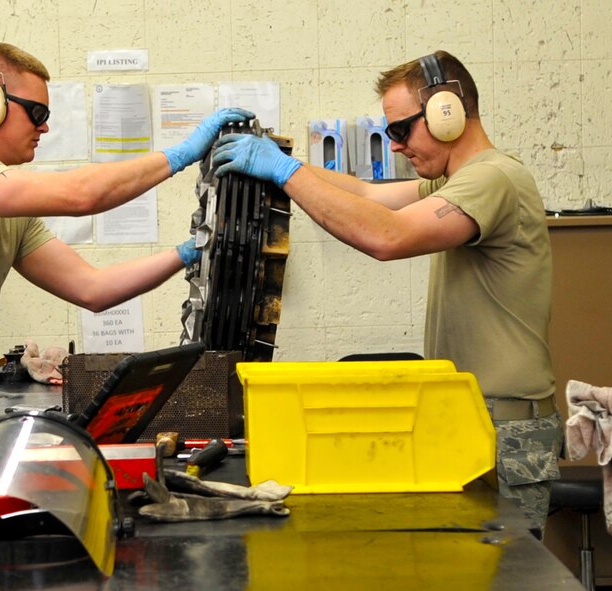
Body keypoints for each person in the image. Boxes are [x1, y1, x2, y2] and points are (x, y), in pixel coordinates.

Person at [210, 50, 562, 537]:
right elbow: (367, 195)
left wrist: (284, 173)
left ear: (448, 112)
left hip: (507, 425)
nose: (395, 146)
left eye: (400, 130)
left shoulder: (493, 178)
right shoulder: (454, 180)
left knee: (510, 574)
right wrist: (280, 163)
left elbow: (387, 236)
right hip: (475, 414)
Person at [0, 42, 253, 406]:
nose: (44, 127)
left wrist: (189, 251)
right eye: (37, 113)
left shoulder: (6, 214)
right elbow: (82, 195)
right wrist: (180, 154)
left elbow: (93, 289)